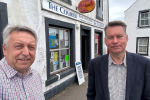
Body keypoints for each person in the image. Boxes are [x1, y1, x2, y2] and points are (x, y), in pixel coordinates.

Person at [87, 21, 150, 100]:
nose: (115, 41)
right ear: (105, 41)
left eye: (119, 36)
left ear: (126, 38)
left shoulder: (144, 63)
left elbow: (147, 96)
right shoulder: (94, 64)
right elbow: (91, 95)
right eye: (110, 37)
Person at [0, 25, 45, 100]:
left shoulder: (36, 75)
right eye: (18, 46)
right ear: (5, 49)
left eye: (31, 47)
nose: (26, 53)